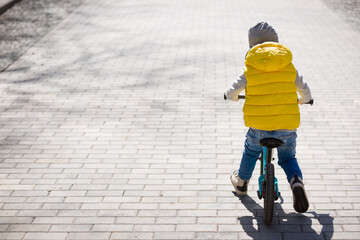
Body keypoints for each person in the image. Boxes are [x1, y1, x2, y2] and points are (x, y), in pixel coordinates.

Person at [224, 22, 312, 213]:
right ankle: (296, 182)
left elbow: (232, 90)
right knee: (288, 157)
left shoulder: (250, 67)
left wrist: (231, 97)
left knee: (251, 151)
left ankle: (241, 184)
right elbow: (304, 89)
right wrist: (306, 100)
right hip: (286, 126)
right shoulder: (288, 66)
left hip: (259, 125)